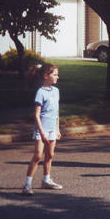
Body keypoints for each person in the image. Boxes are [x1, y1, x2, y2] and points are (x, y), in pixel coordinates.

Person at [22, 63, 62, 196]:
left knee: (50, 155)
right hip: (41, 129)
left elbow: (56, 113)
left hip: (52, 129)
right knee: (38, 155)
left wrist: (57, 129)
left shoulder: (56, 91)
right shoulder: (40, 93)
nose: (57, 77)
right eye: (55, 75)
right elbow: (36, 115)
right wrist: (42, 132)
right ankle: (27, 184)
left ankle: (46, 180)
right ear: (46, 76)